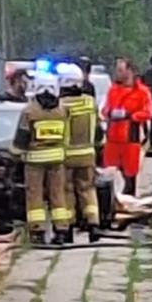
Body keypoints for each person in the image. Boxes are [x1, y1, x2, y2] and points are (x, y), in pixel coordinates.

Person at [12, 73, 71, 245]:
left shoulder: (30, 111)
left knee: (35, 196)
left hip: (34, 161)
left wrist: (14, 155)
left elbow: (22, 138)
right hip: (57, 159)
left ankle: (37, 231)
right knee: (58, 195)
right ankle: (61, 229)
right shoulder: (62, 110)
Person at [101, 57, 152, 195]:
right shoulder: (113, 90)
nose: (117, 73)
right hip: (112, 139)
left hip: (131, 138)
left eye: (120, 70)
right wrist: (111, 113)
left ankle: (129, 201)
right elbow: (104, 110)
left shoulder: (142, 91)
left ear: (130, 71)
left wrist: (130, 115)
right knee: (107, 176)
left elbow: (149, 112)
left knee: (130, 176)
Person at [60, 68, 101, 242]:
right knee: (88, 189)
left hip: (67, 155)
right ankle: (93, 224)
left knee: (67, 191)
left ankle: (68, 229)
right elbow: (98, 129)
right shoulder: (91, 102)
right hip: (87, 153)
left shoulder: (60, 104)